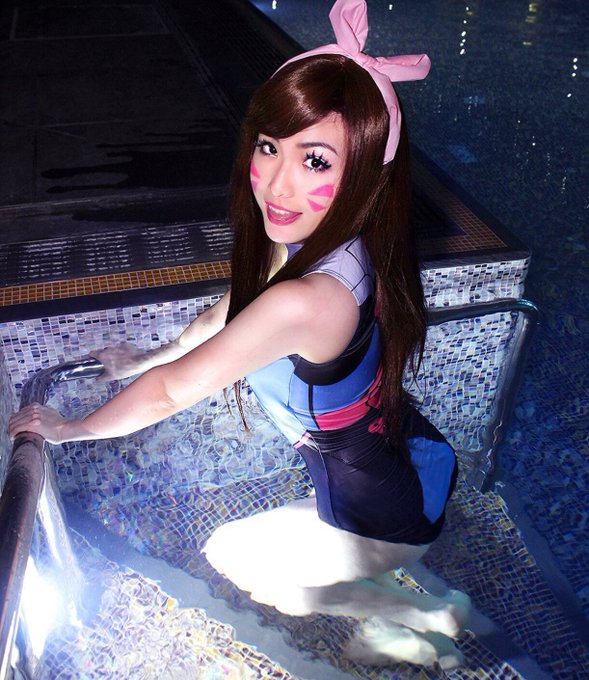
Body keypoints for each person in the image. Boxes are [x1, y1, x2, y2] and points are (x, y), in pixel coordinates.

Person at [10, 0, 469, 669]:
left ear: (367, 172)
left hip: (382, 511)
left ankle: (418, 614)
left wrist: (69, 429)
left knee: (234, 556)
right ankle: (403, 608)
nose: (278, 184)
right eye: (269, 147)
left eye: (315, 161)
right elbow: (218, 320)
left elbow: (173, 392)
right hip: (416, 453)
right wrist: (134, 360)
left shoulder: (309, 299)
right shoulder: (334, 242)